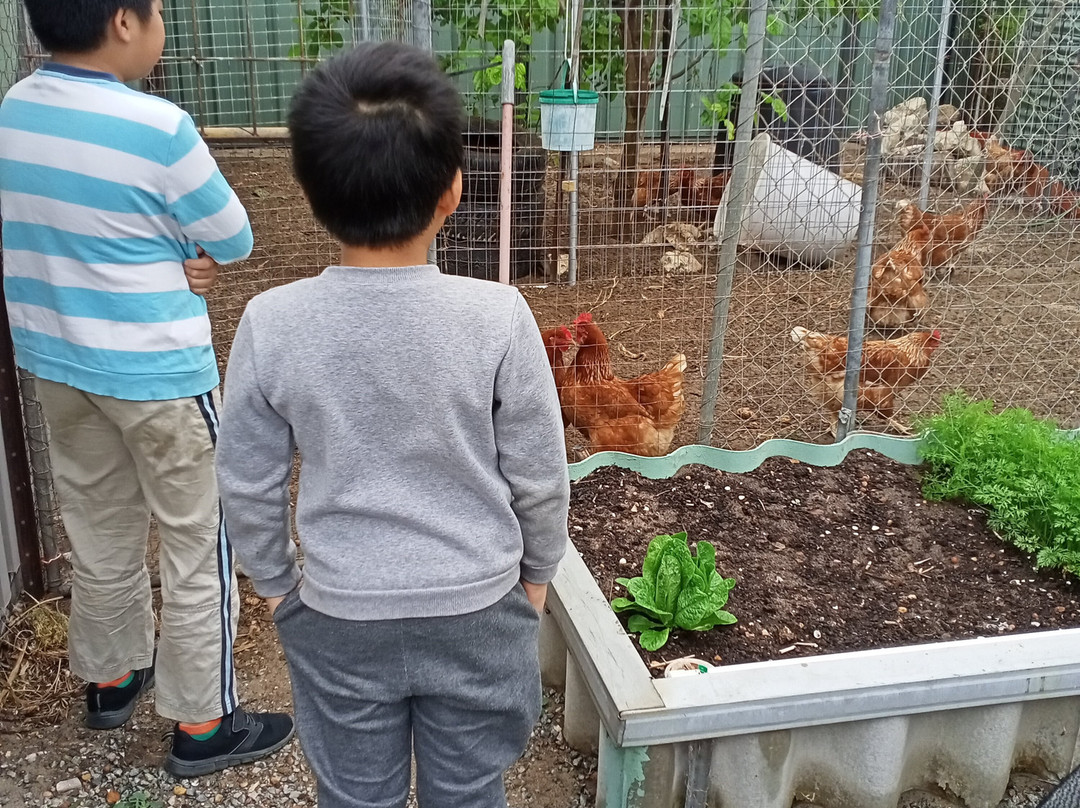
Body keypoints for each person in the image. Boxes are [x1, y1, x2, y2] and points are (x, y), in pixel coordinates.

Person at [214, 41, 570, 808]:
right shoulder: (498, 317)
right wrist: (535, 582)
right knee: (468, 792)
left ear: (309, 191)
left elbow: (246, 479)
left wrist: (278, 588)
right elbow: (540, 476)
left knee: (354, 796)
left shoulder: (271, 324)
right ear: (454, 189)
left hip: (339, 613)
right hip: (481, 610)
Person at [0, 0, 293, 777]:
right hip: (157, 373)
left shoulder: (14, 110)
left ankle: (110, 679)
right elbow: (234, 236)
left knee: (98, 526)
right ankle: (203, 723)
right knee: (198, 541)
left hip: (57, 362)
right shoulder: (159, 127)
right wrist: (186, 250)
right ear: (124, 22)